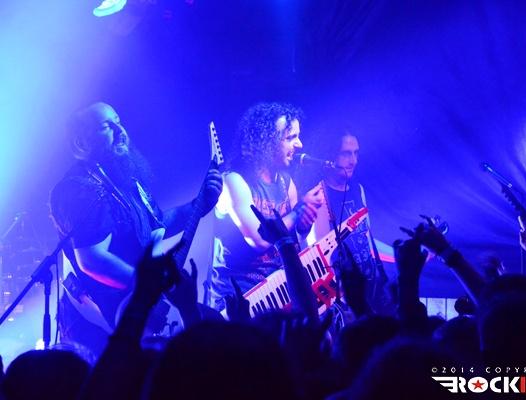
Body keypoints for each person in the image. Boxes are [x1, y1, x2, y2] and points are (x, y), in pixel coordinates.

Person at [50, 102, 222, 356]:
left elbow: (157, 225)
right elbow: (92, 260)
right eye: (107, 126)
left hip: (138, 310)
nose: (120, 130)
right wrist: (148, 286)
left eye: (119, 122)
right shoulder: (78, 188)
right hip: (102, 326)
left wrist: (199, 204)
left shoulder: (125, 181)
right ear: (81, 142)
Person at [209, 102, 324, 311]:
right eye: (290, 138)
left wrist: (304, 225)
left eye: (298, 136)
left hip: (275, 291)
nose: (299, 144)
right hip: (239, 301)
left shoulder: (286, 182)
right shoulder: (234, 181)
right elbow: (260, 240)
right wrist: (298, 212)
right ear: (266, 143)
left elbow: (293, 243)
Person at [306, 131, 389, 313]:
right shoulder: (319, 196)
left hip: (370, 290)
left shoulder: (358, 190)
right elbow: (323, 260)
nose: (354, 161)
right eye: (346, 153)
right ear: (329, 156)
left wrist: (396, 255)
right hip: (347, 300)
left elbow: (366, 240)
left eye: (356, 153)